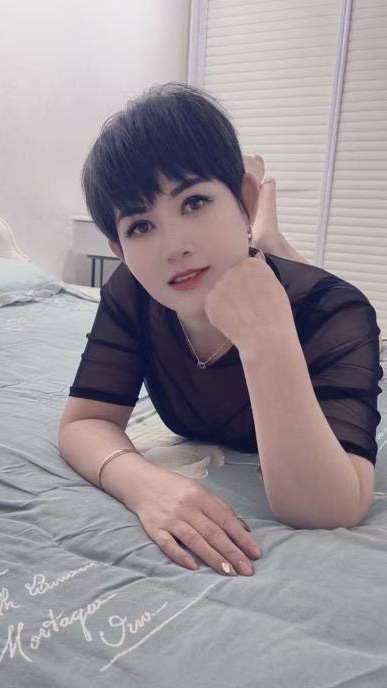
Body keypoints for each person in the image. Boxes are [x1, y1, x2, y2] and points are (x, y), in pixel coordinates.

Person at [59, 82, 383, 578]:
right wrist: (145, 485)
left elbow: (328, 509)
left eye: (194, 202)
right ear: (120, 251)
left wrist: (268, 338)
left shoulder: (336, 311)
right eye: (141, 226)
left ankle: (269, 240)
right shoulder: (133, 292)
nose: (174, 247)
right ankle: (263, 239)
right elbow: (83, 423)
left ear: (242, 199)